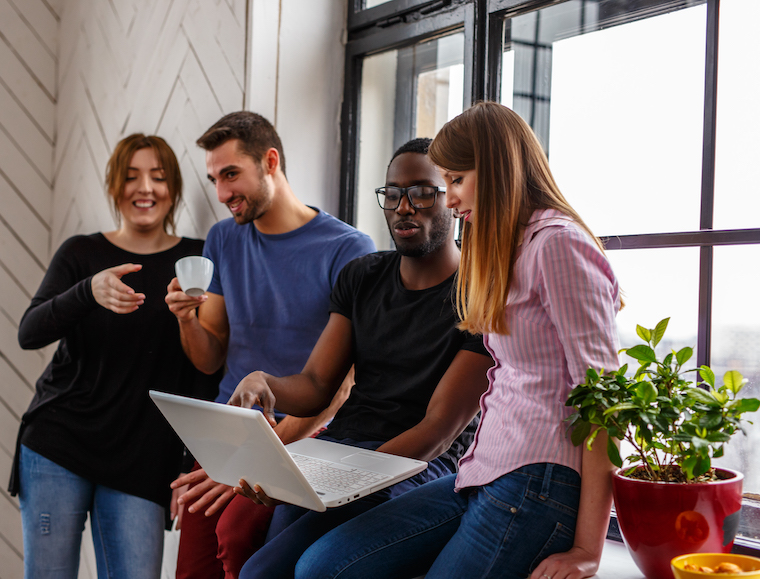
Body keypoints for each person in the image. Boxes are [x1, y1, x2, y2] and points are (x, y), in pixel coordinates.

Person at [294, 101, 623, 579]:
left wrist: (588, 550)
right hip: (481, 471)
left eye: (456, 180)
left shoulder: (558, 245)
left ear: (497, 172)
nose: (448, 199)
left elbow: (603, 404)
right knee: (322, 566)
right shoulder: (514, 247)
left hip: (536, 482)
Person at [227, 137, 493, 579]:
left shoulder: (477, 297)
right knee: (256, 547)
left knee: (269, 571)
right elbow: (315, 386)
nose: (404, 206)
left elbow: (437, 432)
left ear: (453, 198)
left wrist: (343, 479)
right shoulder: (363, 276)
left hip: (413, 466)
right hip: (342, 447)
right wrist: (264, 381)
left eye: (422, 192)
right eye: (393, 194)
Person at [165, 111, 376, 578]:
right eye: (215, 179)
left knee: (240, 544)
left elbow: (342, 384)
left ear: (271, 161)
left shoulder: (349, 249)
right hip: (225, 431)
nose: (222, 194)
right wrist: (186, 320)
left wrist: (257, 456)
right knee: (192, 569)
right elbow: (209, 356)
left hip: (303, 436)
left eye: (231, 174)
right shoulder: (223, 239)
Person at [10, 134, 219, 579]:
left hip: (144, 456)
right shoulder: (82, 253)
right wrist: (87, 291)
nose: (145, 188)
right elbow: (29, 333)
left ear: (174, 188)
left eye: (158, 177)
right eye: (131, 177)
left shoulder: (196, 259)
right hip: (59, 443)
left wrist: (186, 464)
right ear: (114, 187)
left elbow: (205, 372)